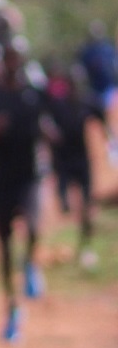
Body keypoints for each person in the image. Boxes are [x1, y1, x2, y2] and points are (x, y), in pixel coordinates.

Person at [0, 38, 52, 343]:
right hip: (2, 179)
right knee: (4, 246)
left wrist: (49, 133)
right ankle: (11, 306)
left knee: (33, 225)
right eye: (9, 58)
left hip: (30, 176)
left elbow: (51, 125)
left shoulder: (34, 94)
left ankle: (30, 265)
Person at [49, 64, 105, 267]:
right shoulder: (58, 105)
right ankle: (64, 244)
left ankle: (86, 245)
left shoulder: (86, 103)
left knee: (86, 205)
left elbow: (101, 118)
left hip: (81, 160)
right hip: (64, 161)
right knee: (65, 205)